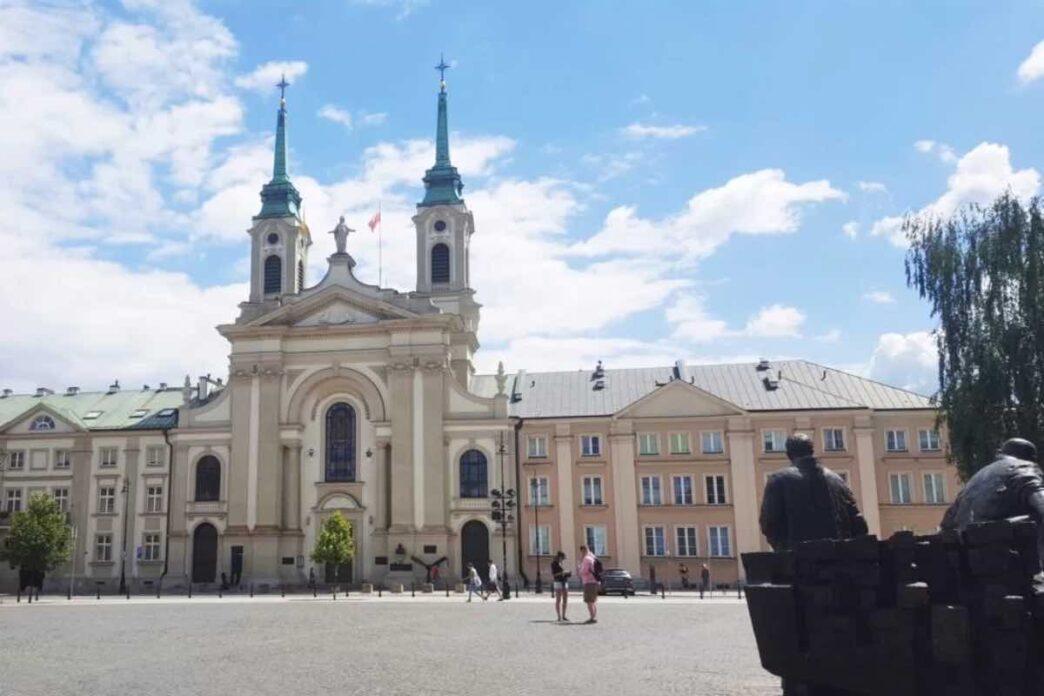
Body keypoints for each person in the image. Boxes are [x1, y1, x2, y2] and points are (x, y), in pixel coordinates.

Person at [941, 437, 1044, 564]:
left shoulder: (976, 478)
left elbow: (947, 522)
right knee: (1036, 516)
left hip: (966, 559)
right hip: (1006, 555)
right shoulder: (1025, 468)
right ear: (1031, 458)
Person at [760, 433, 869, 552]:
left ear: (789, 455)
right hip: (838, 560)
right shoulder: (837, 480)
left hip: (798, 561)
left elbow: (769, 523)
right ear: (812, 451)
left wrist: (784, 550)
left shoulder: (778, 479)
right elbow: (859, 524)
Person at [577, 544, 599, 624]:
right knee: (593, 601)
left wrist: (579, 568)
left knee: (589, 601)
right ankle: (594, 616)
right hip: (595, 581)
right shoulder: (593, 557)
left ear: (583, 550)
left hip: (588, 582)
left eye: (581, 551)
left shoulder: (586, 559)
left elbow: (584, 571)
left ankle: (592, 618)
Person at [550, 551, 571, 622]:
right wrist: (562, 573)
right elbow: (554, 575)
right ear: (559, 557)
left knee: (565, 599)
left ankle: (564, 615)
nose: (563, 560)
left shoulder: (560, 563)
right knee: (558, 599)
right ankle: (559, 616)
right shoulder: (554, 563)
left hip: (564, 581)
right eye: (563, 558)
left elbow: (562, 572)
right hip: (558, 582)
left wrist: (567, 573)